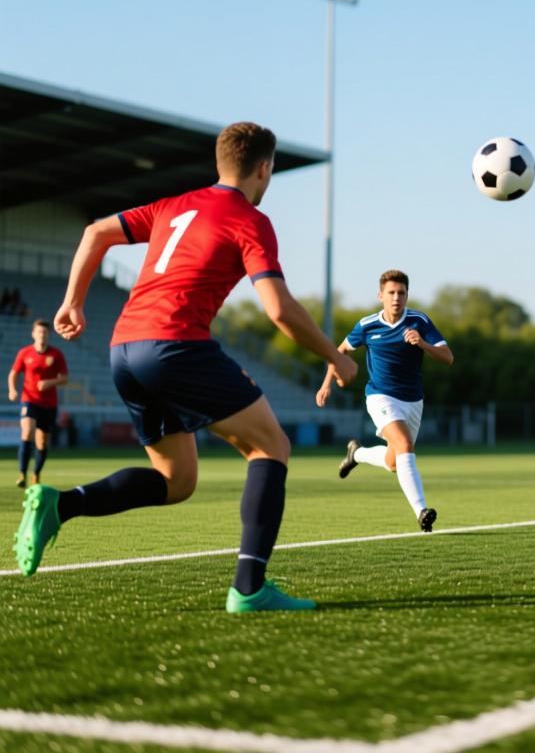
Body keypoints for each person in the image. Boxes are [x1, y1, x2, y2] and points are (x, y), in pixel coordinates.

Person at [12, 121, 358, 615]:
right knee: (271, 446)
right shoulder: (250, 220)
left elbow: (95, 232)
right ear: (265, 168)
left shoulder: (174, 205)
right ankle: (249, 588)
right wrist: (335, 355)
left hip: (125, 349)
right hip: (175, 345)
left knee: (177, 480)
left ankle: (58, 505)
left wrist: (73, 302)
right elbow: (278, 309)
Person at [316, 270, 453, 532]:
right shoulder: (367, 325)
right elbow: (340, 351)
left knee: (393, 462)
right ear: (380, 295)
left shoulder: (419, 321)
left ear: (407, 295)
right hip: (380, 396)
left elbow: (448, 357)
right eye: (391, 292)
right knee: (404, 444)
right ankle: (421, 511)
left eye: (401, 293)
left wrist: (422, 343)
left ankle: (357, 453)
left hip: (413, 401)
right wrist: (326, 385)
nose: (396, 298)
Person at [8, 319, 69, 488]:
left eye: (44, 332)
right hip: (29, 400)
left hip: (49, 404)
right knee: (27, 432)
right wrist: (12, 390)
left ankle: (36, 473)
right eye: (39, 332)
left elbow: (65, 378)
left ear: (48, 334)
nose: (42, 335)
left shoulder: (56, 355)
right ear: (33, 334)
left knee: (42, 442)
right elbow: (13, 373)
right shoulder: (25, 353)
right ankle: (22, 473)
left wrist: (49, 383)